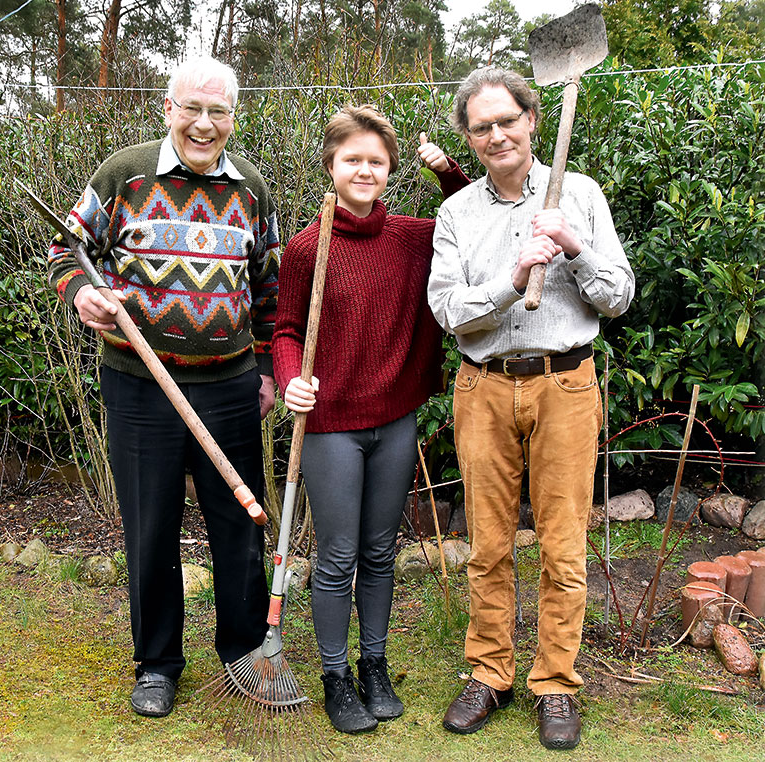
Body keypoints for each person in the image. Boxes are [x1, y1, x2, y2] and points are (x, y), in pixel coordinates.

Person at [47, 56, 279, 718]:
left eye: (219, 111)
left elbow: (265, 286)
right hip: (140, 386)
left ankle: (242, 658)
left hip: (229, 386)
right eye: (192, 108)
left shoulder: (251, 188)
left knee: (238, 524)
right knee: (150, 527)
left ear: (234, 117)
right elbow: (68, 247)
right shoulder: (123, 173)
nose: (205, 124)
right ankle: (157, 665)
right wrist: (83, 290)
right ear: (167, 108)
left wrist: (265, 369)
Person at [428, 67, 634, 750]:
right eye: (481, 126)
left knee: (563, 548)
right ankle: (490, 674)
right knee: (487, 546)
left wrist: (573, 245)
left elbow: (620, 295)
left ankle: (555, 684)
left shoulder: (579, 193)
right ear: (469, 136)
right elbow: (450, 312)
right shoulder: (457, 214)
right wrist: (515, 280)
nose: (495, 135)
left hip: (566, 385)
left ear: (532, 120)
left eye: (506, 120)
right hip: (483, 387)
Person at [272, 105, 468, 734]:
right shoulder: (308, 248)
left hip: (395, 417)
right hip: (330, 421)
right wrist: (289, 380)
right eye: (351, 159)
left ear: (389, 170)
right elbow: (285, 330)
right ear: (330, 166)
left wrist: (446, 170)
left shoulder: (415, 237)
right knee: (338, 555)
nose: (364, 170)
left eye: (375, 161)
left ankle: (373, 665)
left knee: (381, 551)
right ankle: (335, 675)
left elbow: (476, 217)